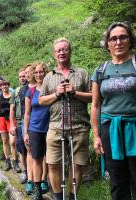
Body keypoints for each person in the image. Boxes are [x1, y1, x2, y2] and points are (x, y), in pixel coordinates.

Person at [91, 22, 136, 200]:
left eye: (123, 37)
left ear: (130, 40)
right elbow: (96, 105)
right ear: (107, 43)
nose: (118, 42)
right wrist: (96, 135)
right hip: (110, 131)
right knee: (117, 181)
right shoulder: (100, 70)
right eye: (113, 38)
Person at [39, 37, 92, 200]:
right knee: (53, 164)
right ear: (54, 54)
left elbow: (93, 97)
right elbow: (41, 100)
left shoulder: (82, 73)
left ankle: (72, 197)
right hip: (55, 126)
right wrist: (56, 94)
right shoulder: (48, 77)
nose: (62, 52)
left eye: (64, 49)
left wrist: (74, 92)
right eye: (58, 50)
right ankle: (58, 197)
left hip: (79, 126)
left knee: (77, 165)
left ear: (70, 51)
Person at [24, 62, 50, 199]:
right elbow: (27, 113)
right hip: (35, 128)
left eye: (42, 72)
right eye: (37, 72)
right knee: (36, 158)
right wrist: (26, 132)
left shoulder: (50, 89)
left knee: (48, 157)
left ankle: (45, 180)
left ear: (46, 73)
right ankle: (37, 188)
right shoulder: (31, 91)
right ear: (33, 74)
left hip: (50, 127)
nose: (39, 74)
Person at [9, 67, 28, 183]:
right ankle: (25, 172)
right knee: (21, 149)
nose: (22, 78)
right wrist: (12, 124)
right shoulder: (15, 92)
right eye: (20, 76)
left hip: (32, 123)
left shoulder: (32, 88)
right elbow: (12, 109)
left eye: (24, 76)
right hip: (20, 123)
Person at [0, 80, 21, 172]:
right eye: (2, 85)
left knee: (12, 142)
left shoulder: (13, 95)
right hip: (1, 119)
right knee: (4, 141)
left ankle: (15, 161)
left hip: (11, 119)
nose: (4, 86)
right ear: (1, 87)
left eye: (6, 85)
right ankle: (7, 161)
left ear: (8, 86)